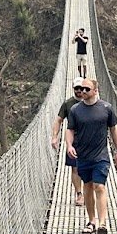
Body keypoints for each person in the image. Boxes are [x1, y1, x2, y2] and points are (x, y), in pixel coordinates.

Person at [65, 78, 117, 234]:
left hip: (101, 156)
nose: (82, 92)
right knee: (88, 187)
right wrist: (69, 145)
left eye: (86, 89)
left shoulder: (106, 108)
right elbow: (69, 130)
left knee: (99, 187)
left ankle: (102, 224)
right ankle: (91, 221)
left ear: (95, 91)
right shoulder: (75, 110)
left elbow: (114, 129)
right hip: (83, 156)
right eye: (81, 89)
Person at [51, 77, 87, 206]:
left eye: (81, 88)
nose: (79, 91)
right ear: (73, 88)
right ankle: (79, 194)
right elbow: (58, 120)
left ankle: (89, 192)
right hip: (73, 141)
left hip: (89, 140)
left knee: (88, 168)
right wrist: (55, 137)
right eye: (76, 88)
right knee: (75, 168)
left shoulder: (92, 102)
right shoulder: (68, 104)